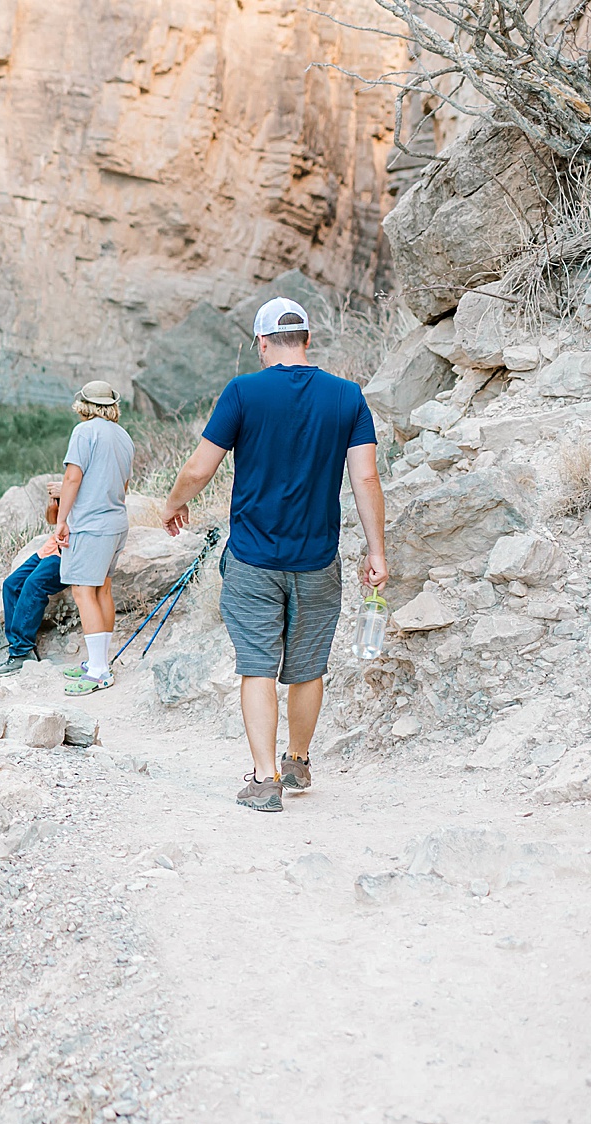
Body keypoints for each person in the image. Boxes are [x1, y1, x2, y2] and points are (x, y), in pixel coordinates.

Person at [159, 297, 387, 813]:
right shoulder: (348, 396)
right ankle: (298, 761)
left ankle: (265, 782)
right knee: (308, 668)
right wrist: (377, 551)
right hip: (317, 558)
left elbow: (199, 468)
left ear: (261, 342)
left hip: (252, 559)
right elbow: (366, 478)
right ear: (307, 339)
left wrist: (173, 505)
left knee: (257, 667)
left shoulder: (243, 392)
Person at [55, 380, 136, 695]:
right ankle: (98, 662)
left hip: (91, 525)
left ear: (85, 404)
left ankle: (99, 671)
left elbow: (72, 477)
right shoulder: (123, 436)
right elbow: (124, 484)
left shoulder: (83, 432)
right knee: (103, 589)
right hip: (116, 522)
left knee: (82, 591)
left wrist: (62, 520)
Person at [0, 480, 67, 674]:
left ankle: (21, 652)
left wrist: (67, 490)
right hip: (51, 548)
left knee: (33, 585)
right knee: (11, 585)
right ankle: (18, 646)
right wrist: (54, 501)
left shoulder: (85, 483)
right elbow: (52, 519)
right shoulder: (71, 478)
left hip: (69, 550)